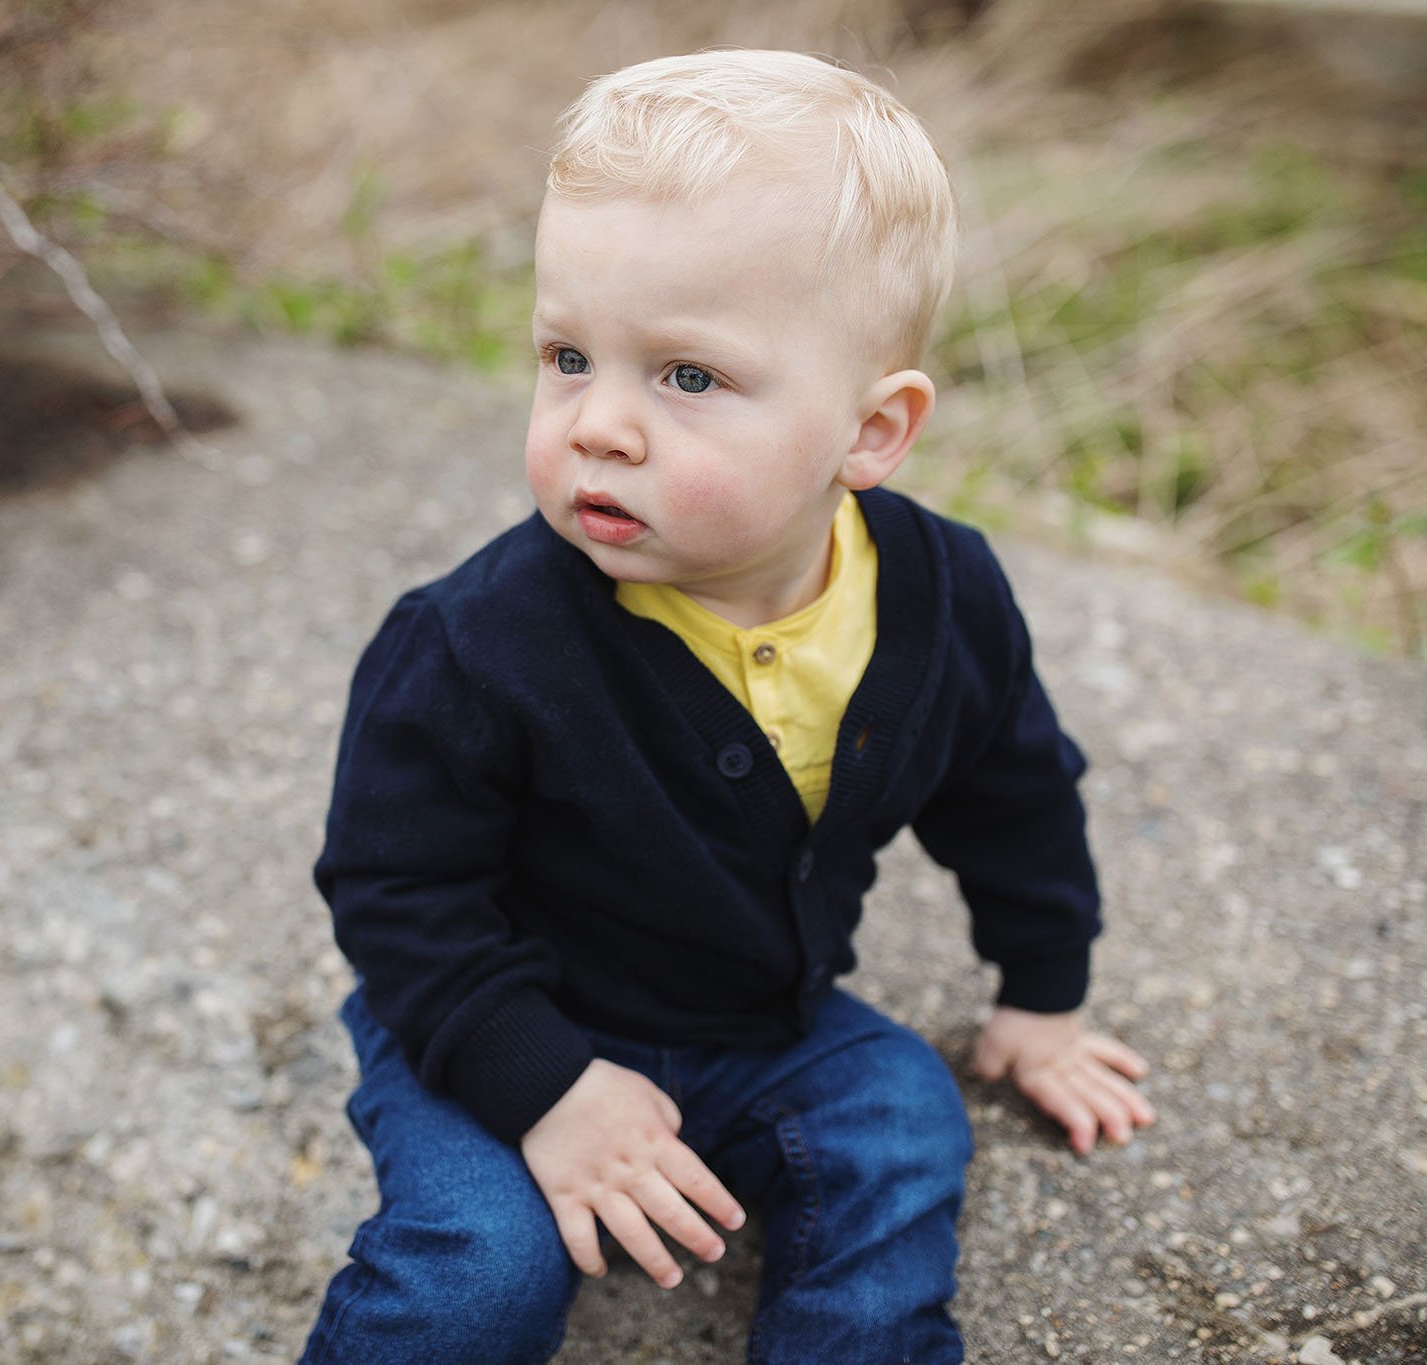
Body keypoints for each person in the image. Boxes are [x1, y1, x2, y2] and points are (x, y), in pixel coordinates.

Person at [298, 48, 1155, 1365]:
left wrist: (1045, 994)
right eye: (568, 355)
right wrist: (546, 1084)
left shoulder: (940, 599)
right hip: (497, 1005)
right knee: (483, 1264)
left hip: (762, 1021)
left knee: (903, 1120)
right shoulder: (476, 644)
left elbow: (1017, 791)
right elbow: (396, 890)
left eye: (687, 377)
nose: (600, 425)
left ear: (871, 432)